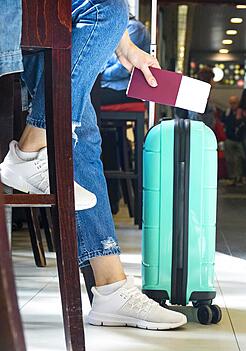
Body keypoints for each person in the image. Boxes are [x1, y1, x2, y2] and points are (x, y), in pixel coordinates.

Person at [0, 0, 186, 330]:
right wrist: (124, 44)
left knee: (78, 119)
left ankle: (111, 287)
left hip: (31, 27)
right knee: (108, 9)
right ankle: (30, 149)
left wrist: (125, 47)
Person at [101, 13, 150, 105]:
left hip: (124, 88)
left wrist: (100, 76)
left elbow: (123, 68)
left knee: (89, 97)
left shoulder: (134, 28)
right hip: (110, 85)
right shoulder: (116, 27)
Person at [222, 96, 245, 185]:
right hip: (229, 138)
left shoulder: (241, 113)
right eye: (231, 103)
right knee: (230, 159)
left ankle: (239, 176)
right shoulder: (227, 113)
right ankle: (232, 177)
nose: (233, 105)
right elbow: (223, 123)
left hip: (239, 139)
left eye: (234, 103)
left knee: (239, 159)